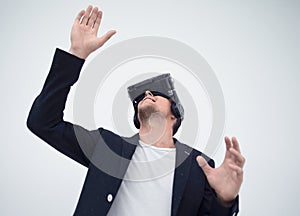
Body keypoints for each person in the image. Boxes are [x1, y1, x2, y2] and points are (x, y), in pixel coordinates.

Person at [27, 5, 245, 216]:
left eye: (157, 94)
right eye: (142, 96)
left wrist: (225, 201)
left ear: (174, 115)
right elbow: (42, 122)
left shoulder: (199, 165)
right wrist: (75, 55)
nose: (147, 95)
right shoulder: (107, 147)